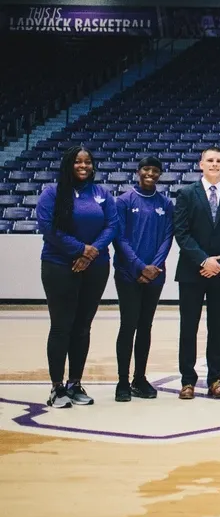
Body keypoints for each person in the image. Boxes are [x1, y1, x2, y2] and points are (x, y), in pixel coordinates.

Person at [36, 145, 118, 408]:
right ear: (68, 164)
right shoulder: (52, 193)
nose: (83, 166)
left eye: (87, 162)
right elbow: (48, 229)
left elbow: (112, 225)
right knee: (62, 326)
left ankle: (75, 383)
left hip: (96, 266)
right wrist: (80, 249)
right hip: (59, 265)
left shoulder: (101, 193)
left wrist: (90, 254)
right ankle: (56, 387)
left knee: (83, 327)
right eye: (77, 162)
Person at [174, 145, 220, 400]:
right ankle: (187, 380)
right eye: (210, 160)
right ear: (201, 164)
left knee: (217, 328)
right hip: (192, 271)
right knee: (188, 327)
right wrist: (204, 261)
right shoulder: (185, 194)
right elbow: (181, 233)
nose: (214, 164)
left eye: (219, 161)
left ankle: (215, 379)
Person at [112, 155, 173, 403]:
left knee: (145, 326)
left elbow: (167, 238)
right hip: (128, 273)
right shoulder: (124, 201)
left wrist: (154, 266)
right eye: (146, 169)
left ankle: (140, 377)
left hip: (155, 275)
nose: (151, 174)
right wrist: (139, 267)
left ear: (160, 174)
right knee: (128, 325)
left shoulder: (166, 204)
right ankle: (122, 381)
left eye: (155, 171)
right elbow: (119, 238)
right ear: (138, 171)